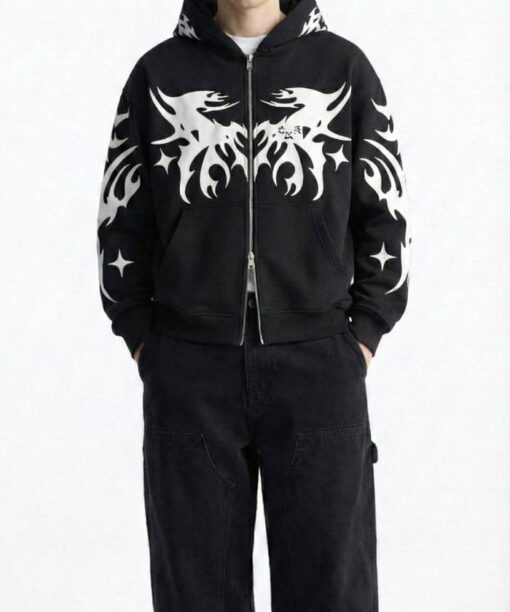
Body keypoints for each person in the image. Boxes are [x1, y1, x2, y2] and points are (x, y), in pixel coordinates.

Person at [97, 0, 410, 609]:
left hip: (319, 363)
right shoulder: (157, 73)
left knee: (331, 591)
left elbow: (384, 212)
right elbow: (121, 218)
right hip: (189, 367)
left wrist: (364, 335)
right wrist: (144, 341)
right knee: (195, 593)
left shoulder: (344, 68)